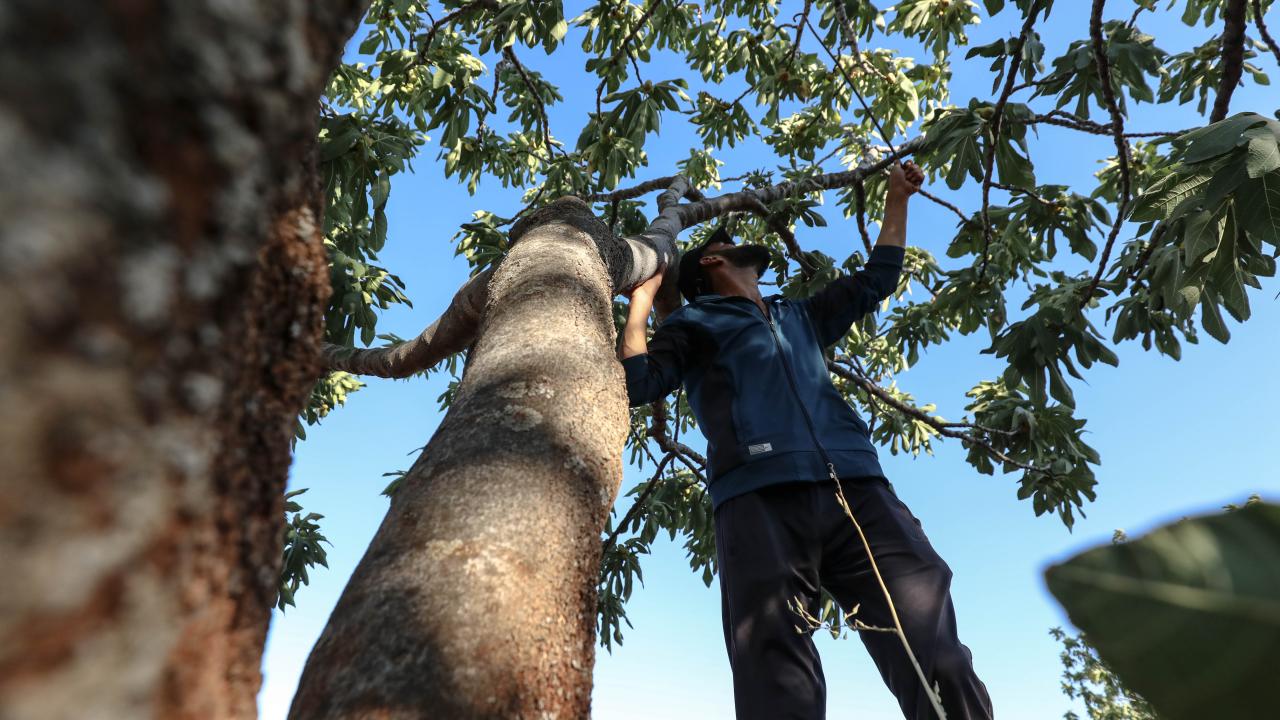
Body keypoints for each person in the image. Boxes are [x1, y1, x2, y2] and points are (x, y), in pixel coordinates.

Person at [617, 161, 992, 720]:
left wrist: (896, 199)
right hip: (759, 500)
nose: (737, 242)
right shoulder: (693, 326)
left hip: (859, 492)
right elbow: (638, 383)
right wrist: (643, 302)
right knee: (778, 681)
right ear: (712, 262)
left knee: (941, 661)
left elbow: (877, 278)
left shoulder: (800, 315)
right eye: (725, 242)